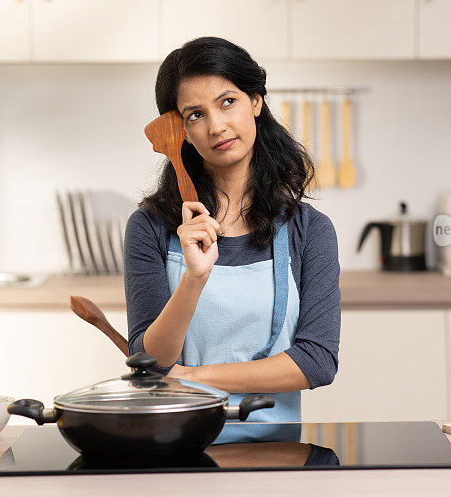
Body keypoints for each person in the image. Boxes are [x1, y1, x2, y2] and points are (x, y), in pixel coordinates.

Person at [124, 37, 341, 435]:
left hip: (274, 455)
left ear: (255, 101)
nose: (216, 126)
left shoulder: (309, 230)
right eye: (194, 115)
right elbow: (150, 361)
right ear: (179, 129)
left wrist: (195, 377)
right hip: (176, 450)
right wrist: (194, 278)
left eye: (227, 102)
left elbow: (316, 362)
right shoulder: (151, 227)